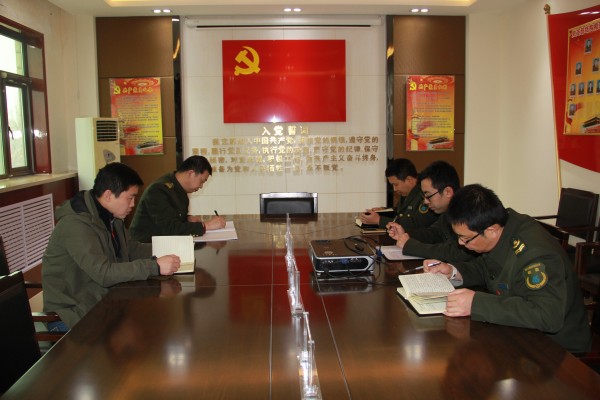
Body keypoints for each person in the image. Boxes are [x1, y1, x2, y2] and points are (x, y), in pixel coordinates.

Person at [424, 184, 591, 353]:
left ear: (491, 231)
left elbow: (547, 315)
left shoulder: (535, 255)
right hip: (521, 330)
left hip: (556, 348)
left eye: (465, 239)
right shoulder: (503, 225)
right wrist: (453, 272)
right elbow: (488, 267)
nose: (461, 243)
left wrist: (476, 304)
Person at [42, 163, 181, 331]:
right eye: (129, 198)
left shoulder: (111, 217)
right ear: (108, 195)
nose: (133, 204)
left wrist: (170, 248)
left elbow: (129, 249)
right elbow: (103, 273)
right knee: (146, 330)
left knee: (153, 321)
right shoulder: (75, 225)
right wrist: (155, 266)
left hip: (102, 302)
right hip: (72, 314)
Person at [387, 160, 475, 262]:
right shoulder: (449, 211)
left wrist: (412, 246)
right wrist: (405, 235)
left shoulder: (468, 212)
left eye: (428, 196)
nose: (425, 201)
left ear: (447, 192)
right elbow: (434, 233)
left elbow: (459, 253)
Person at [129, 155, 226, 243]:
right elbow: (170, 229)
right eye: (201, 181)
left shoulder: (178, 188)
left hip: (164, 244)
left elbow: (171, 218)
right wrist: (206, 226)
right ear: (191, 173)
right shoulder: (158, 190)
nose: (201, 186)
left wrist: (187, 219)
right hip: (144, 248)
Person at [358, 158, 437, 231]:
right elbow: (400, 213)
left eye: (396, 184)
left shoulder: (425, 195)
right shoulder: (407, 193)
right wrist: (384, 211)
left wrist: (379, 220)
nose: (394, 189)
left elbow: (416, 224)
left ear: (409, 180)